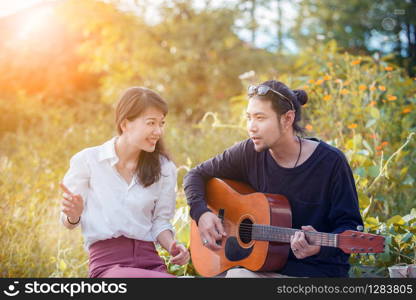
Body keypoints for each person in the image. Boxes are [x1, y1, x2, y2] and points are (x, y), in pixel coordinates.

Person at [184, 80, 363, 278]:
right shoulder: (248, 152)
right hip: (262, 271)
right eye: (249, 118)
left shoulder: (330, 163)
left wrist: (320, 248)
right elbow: (195, 175)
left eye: (260, 118)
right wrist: (201, 214)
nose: (251, 127)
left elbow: (351, 226)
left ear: (287, 119)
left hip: (316, 274)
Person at [60, 87, 189, 278]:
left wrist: (172, 245)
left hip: (152, 264)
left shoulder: (164, 168)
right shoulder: (88, 161)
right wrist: (74, 215)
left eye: (161, 123)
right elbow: (67, 222)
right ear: (125, 124)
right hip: (109, 266)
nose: (158, 131)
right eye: (151, 123)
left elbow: (160, 222)